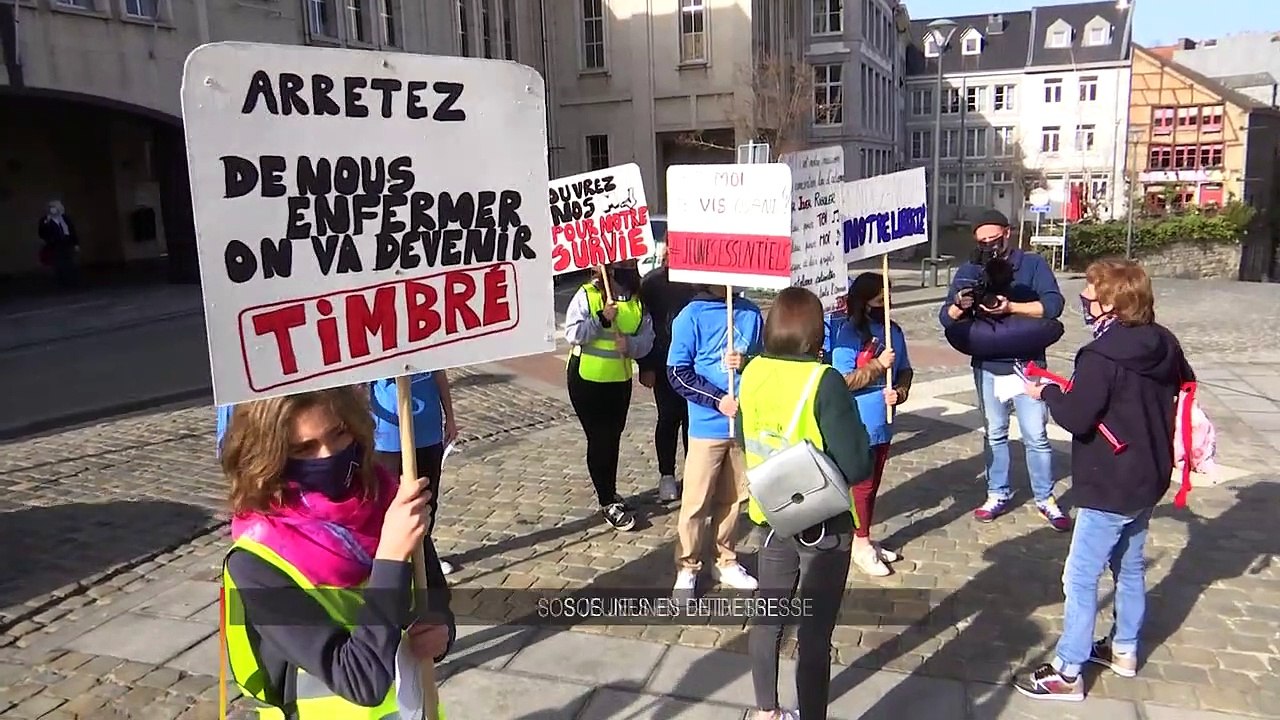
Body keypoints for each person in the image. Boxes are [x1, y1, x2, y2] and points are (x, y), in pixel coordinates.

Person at [1014, 260, 1193, 701]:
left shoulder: (1100, 355)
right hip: (1149, 472)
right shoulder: (1164, 341)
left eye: (1089, 296)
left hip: (1110, 479)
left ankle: (1068, 670)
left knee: (1080, 576)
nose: (1084, 302)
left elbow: (1077, 418)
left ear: (1112, 303)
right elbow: (1181, 383)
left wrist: (1047, 392)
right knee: (1129, 566)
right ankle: (1124, 649)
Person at [220, 386, 455, 718]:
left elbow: (435, 599)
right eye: (304, 448)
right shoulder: (255, 561)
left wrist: (440, 632)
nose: (328, 455)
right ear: (271, 456)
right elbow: (361, 681)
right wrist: (390, 556)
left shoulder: (388, 502)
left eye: (339, 433)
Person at [738, 286, 874, 720]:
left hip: (771, 515)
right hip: (822, 523)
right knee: (815, 634)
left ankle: (766, 711)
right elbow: (857, 463)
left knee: (768, 618)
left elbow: (743, 435)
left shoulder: (752, 371)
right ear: (817, 332)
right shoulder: (823, 380)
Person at [938, 208, 1070, 531]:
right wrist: (960, 305)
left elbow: (1053, 306)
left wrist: (1011, 307)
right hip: (989, 364)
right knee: (995, 433)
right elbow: (945, 317)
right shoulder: (970, 269)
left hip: (1027, 364)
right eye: (982, 242)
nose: (989, 246)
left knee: (1036, 435)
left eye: (994, 239)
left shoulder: (1033, 265)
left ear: (1007, 233)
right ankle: (997, 492)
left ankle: (1045, 497)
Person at [667, 284, 764, 593]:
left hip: (741, 426)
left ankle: (725, 560)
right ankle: (687, 566)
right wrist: (717, 399)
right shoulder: (691, 316)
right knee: (696, 502)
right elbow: (677, 372)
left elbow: (765, 361)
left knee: (733, 499)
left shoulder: (751, 313)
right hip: (706, 427)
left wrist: (747, 362)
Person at [826, 272, 913, 577]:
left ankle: (862, 535)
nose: (886, 303)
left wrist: (900, 392)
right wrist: (878, 366)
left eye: (888, 297)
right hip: (856, 421)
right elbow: (842, 380)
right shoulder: (846, 334)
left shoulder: (894, 331)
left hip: (883, 422)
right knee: (861, 487)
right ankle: (860, 543)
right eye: (879, 299)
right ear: (864, 302)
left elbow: (905, 370)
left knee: (873, 485)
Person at [564, 260, 655, 531]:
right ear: (609, 269)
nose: (628, 270)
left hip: (619, 380)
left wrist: (631, 345)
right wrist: (601, 319)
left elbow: (647, 339)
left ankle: (610, 490)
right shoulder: (588, 295)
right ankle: (606, 501)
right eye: (622, 266)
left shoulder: (637, 302)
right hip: (586, 380)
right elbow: (572, 333)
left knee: (612, 438)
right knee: (600, 439)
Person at [370, 371, 459, 574]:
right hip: (389, 436)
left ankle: (425, 556)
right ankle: (393, 559)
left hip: (428, 430)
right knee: (390, 503)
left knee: (427, 501)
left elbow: (439, 374)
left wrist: (450, 418)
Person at [637, 245, 698, 502]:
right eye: (669, 249)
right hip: (663, 362)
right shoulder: (651, 283)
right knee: (668, 419)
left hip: (696, 364)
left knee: (692, 421)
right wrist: (646, 365)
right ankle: (667, 475)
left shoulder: (698, 282)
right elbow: (642, 326)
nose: (669, 254)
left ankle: (694, 474)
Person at [37, 200, 79, 288]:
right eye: (51, 208)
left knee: (69, 263)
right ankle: (61, 282)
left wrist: (75, 244)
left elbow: (72, 231)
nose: (53, 209)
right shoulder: (45, 220)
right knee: (58, 264)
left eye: (55, 207)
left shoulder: (65, 219)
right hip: (55, 245)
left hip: (67, 244)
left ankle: (71, 281)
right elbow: (42, 233)